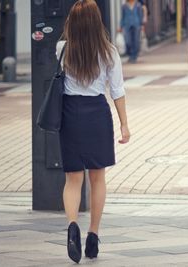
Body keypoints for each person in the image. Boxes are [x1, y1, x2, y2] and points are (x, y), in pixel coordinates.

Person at [55, 0, 130, 263]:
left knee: (73, 178)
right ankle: (93, 236)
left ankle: (72, 226)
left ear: (72, 23)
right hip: (97, 114)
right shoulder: (109, 51)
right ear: (97, 22)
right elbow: (117, 90)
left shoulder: (62, 49)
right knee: (98, 178)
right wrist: (124, 123)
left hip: (70, 114)